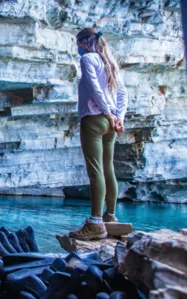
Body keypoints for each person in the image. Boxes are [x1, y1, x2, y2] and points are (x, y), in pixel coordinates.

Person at [69, 28, 128, 240]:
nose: (77, 48)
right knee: (108, 167)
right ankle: (110, 218)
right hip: (111, 122)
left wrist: (106, 112)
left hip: (94, 119)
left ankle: (95, 223)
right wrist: (118, 116)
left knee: (95, 171)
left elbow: (95, 89)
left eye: (77, 43)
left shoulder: (88, 59)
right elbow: (122, 93)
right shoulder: (110, 62)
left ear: (84, 43)